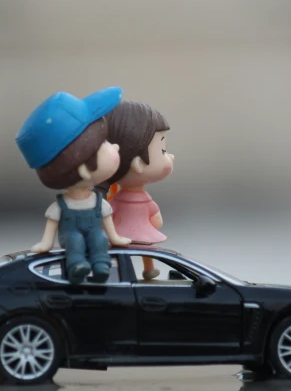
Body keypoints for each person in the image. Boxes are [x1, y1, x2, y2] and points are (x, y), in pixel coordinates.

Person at [16, 87, 131, 284]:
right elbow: (52, 225)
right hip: (71, 235)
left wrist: (115, 238)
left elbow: (106, 222)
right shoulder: (61, 206)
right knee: (74, 242)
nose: (115, 146)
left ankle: (101, 265)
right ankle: (77, 266)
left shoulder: (97, 201)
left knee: (100, 239)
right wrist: (46, 243)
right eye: (103, 143)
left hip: (95, 232)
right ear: (84, 168)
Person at [102, 101, 174, 280]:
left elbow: (109, 213)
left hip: (123, 231)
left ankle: (146, 268)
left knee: (141, 248)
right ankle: (138, 268)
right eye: (163, 150)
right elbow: (155, 218)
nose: (170, 156)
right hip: (121, 233)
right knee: (134, 249)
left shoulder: (117, 198)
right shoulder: (116, 198)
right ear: (138, 164)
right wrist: (155, 221)